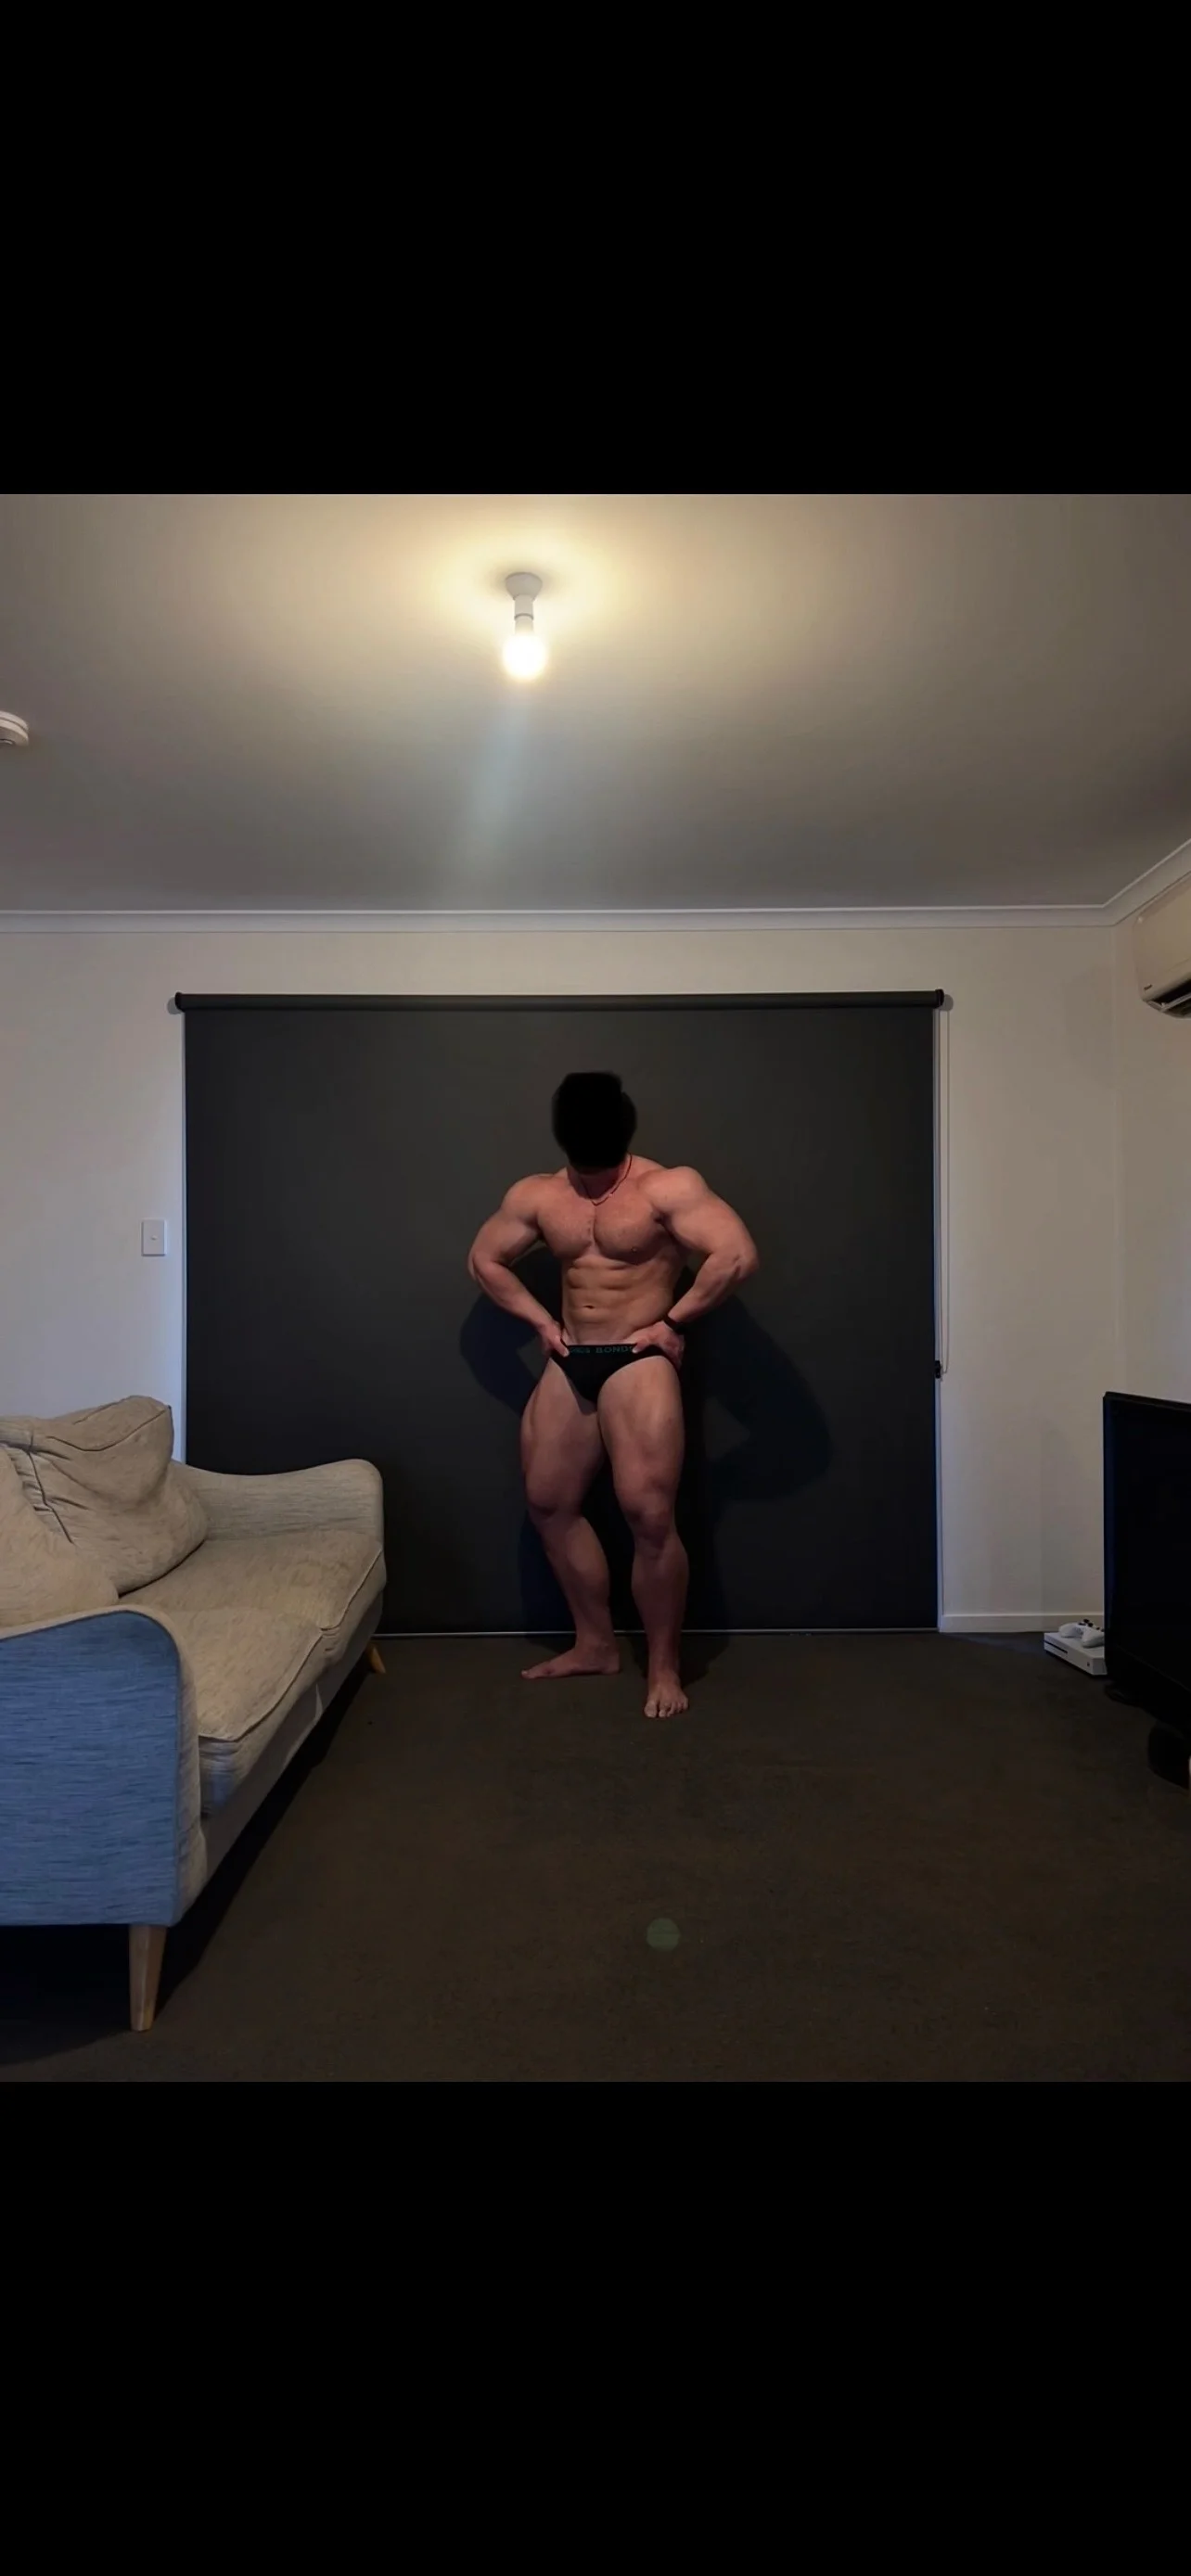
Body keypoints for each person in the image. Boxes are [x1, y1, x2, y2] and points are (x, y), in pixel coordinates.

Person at [467, 1071, 760, 1719]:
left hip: (636, 1358)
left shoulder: (666, 1187)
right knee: (548, 1503)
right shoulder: (539, 1195)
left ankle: (663, 1668)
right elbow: (484, 1259)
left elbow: (736, 1255)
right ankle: (595, 1644)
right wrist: (541, 1323)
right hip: (570, 1357)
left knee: (649, 1515)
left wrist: (671, 1323)